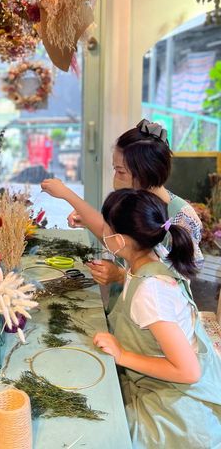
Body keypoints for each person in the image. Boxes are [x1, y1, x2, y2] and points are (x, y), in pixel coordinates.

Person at [92, 189, 221, 448]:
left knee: (102, 430)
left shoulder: (150, 292)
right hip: (169, 383)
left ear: (120, 240)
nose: (103, 234)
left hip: (180, 407)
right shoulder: (152, 258)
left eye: (107, 228)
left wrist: (122, 356)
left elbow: (188, 371)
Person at [41, 120, 203, 288]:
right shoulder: (134, 203)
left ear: (145, 172)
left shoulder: (183, 218)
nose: (115, 180)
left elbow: (172, 287)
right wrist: (88, 221)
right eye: (114, 169)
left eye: (120, 171)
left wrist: (119, 276)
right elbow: (118, 243)